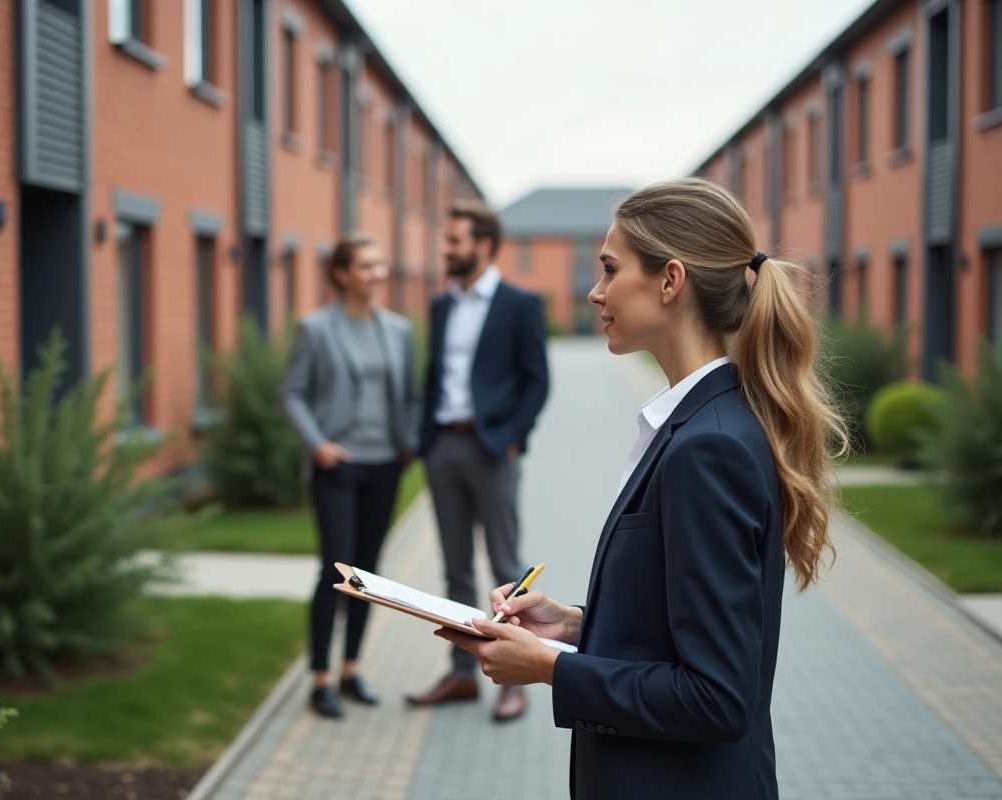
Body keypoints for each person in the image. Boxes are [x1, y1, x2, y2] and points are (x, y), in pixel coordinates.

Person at [434, 177, 849, 799]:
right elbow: (675, 626)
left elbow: (716, 698)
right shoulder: (702, 421)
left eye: (608, 268)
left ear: (669, 281)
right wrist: (575, 624)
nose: (594, 293)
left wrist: (551, 667)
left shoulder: (707, 448)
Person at [404, 199, 551, 723]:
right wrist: (422, 439)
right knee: (455, 569)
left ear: (483, 246)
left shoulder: (519, 304)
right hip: (443, 447)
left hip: (493, 450)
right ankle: (463, 674)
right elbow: (433, 376)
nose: (446, 249)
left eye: (454, 241)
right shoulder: (442, 305)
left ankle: (517, 679)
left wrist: (513, 438)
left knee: (507, 568)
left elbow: (537, 380)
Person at [280, 233, 422, 720]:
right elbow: (292, 393)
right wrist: (317, 444)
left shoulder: (398, 329)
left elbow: (409, 395)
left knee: (367, 574)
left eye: (381, 266)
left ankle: (351, 669)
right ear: (341, 273)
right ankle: (319, 678)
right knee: (335, 572)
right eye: (366, 266)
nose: (377, 275)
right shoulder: (316, 328)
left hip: (386, 465)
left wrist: (411, 442)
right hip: (337, 465)